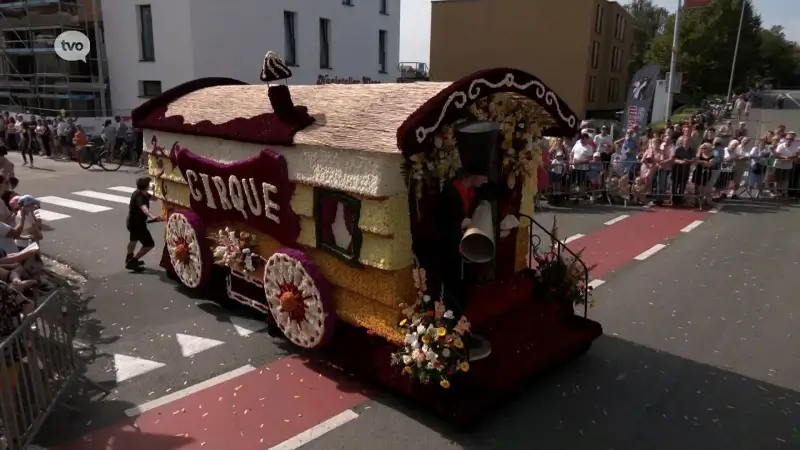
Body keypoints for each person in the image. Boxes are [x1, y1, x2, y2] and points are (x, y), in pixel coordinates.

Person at [435, 122, 507, 362]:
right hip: (449, 257)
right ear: (472, 175)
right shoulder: (449, 193)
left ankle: (463, 334)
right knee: (453, 300)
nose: (484, 180)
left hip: (467, 257)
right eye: (482, 176)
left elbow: (499, 192)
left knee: (465, 298)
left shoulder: (475, 190)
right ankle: (453, 339)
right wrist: (460, 225)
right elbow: (439, 226)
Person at [126, 177, 161, 271]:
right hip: (138, 225)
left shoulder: (139, 192)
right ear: (146, 186)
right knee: (149, 244)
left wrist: (155, 191)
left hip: (131, 222)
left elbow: (155, 198)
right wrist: (153, 216)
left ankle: (129, 257)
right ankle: (133, 261)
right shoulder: (141, 197)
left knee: (133, 240)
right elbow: (144, 208)